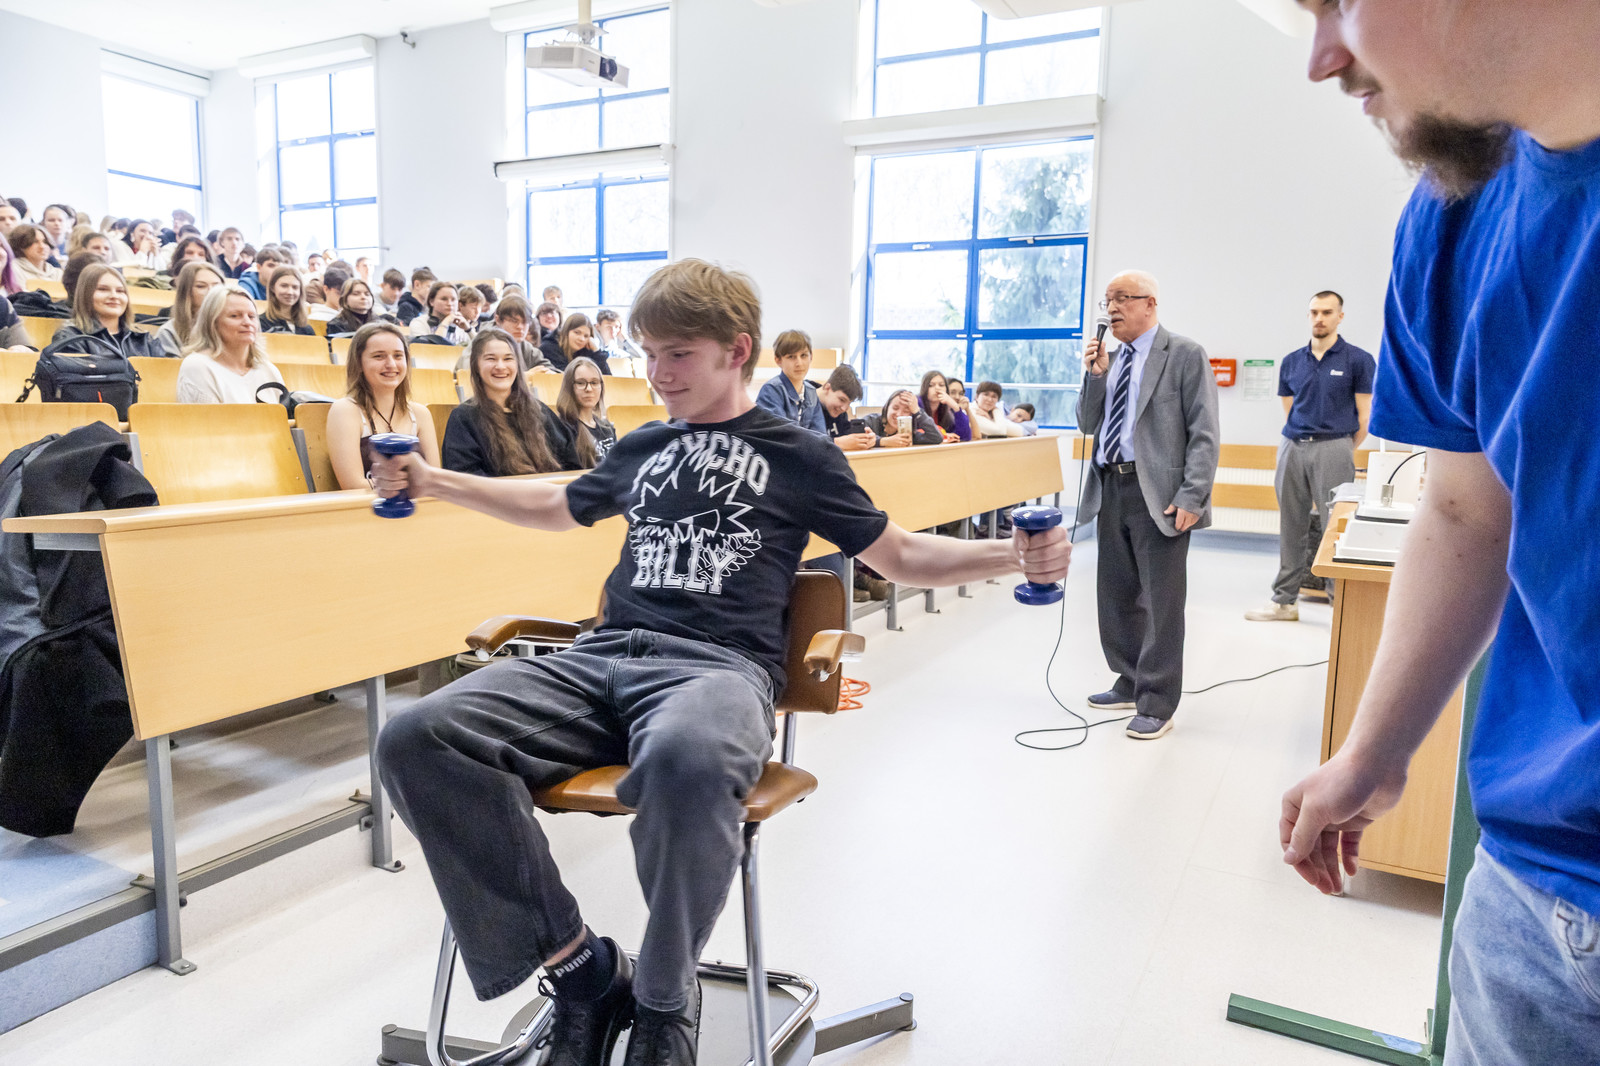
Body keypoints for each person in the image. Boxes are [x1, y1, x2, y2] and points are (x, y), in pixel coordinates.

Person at [371, 258, 1070, 1066]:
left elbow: (902, 555)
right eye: (649, 354)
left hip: (716, 670)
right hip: (601, 658)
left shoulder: (801, 455)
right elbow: (559, 506)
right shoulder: (646, 444)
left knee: (687, 760)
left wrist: (1013, 557)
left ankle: (665, 1000)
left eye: (679, 355)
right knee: (416, 736)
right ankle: (582, 971)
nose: (658, 374)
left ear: (737, 350)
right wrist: (437, 482)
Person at [1278, 5, 1600, 1065]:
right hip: (1532, 891)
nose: (1324, 57)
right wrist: (1371, 752)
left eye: (1338, 1)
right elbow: (1466, 507)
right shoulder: (1455, 216)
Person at [1076, 270, 1219, 740]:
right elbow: (1087, 422)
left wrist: (1193, 494)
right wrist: (1095, 376)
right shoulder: (1110, 359)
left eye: (1122, 298)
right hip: (1110, 487)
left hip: (1159, 494)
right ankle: (1129, 678)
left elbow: (1204, 432)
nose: (1112, 308)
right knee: (1116, 595)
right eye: (1107, 301)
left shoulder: (1184, 354)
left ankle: (1157, 701)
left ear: (1150, 304)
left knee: (1161, 602)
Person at [1246, 291, 1375, 623]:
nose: (1320, 318)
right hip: (1292, 445)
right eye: (1314, 312)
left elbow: (1365, 416)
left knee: (1335, 527)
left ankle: (1338, 604)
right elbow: (1289, 409)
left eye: (1327, 312)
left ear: (1340, 317)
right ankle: (1284, 602)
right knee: (1291, 525)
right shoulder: (1292, 361)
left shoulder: (1358, 360)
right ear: (1308, 316)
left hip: (1334, 446)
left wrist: (1342, 447)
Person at [442, 328, 579, 477]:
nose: (501, 366)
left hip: (550, 490)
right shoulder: (463, 418)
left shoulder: (540, 411)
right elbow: (465, 478)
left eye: (508, 359)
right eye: (491, 359)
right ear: (476, 365)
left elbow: (571, 464)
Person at [326, 322, 441, 489]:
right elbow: (353, 485)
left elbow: (434, 481)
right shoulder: (345, 410)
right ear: (359, 363)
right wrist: (413, 485)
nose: (391, 364)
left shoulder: (421, 413)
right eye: (379, 356)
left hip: (419, 505)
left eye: (398, 356)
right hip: (365, 505)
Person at [176, 283, 284, 403]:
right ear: (213, 323)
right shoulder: (198, 367)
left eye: (252, 316)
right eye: (235, 316)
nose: (247, 322)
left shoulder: (268, 370)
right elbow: (206, 416)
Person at [48, 262, 164, 360]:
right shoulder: (70, 338)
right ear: (85, 295)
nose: (114, 296)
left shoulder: (145, 339)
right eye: (103, 289)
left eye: (120, 291)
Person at [755, 329, 823, 432]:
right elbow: (781, 435)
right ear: (778, 360)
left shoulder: (811, 392)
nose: (799, 363)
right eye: (791, 357)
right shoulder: (771, 391)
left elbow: (821, 435)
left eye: (803, 355)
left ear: (811, 357)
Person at [154, 260, 224, 357]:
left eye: (217, 286)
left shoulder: (236, 326)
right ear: (186, 292)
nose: (211, 291)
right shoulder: (168, 333)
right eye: (201, 286)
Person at [555, 355, 616, 465]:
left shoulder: (607, 428)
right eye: (580, 383)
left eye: (594, 382)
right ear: (569, 387)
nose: (589, 389)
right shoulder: (562, 429)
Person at [816, 365, 877, 451]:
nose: (844, 408)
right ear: (827, 387)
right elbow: (803, 443)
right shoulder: (804, 403)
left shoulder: (839, 413)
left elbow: (847, 433)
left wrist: (867, 439)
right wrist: (836, 443)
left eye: (849, 403)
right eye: (842, 400)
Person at [489, 295, 554, 372]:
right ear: (498, 320)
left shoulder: (526, 348)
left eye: (525, 322)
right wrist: (525, 377)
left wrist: (549, 373)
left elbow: (550, 369)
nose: (520, 327)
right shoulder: (485, 345)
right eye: (514, 321)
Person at [864, 388, 942, 446]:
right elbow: (860, 438)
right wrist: (884, 441)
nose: (899, 414)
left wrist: (917, 411)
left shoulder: (908, 435)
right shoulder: (871, 421)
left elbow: (936, 437)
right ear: (887, 408)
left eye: (906, 411)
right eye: (895, 408)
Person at [540, 312, 610, 374]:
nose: (582, 339)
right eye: (577, 333)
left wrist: (596, 351)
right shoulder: (549, 348)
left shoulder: (587, 350)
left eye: (586, 336)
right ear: (566, 331)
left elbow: (607, 377)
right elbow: (566, 377)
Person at [918, 371, 971, 442]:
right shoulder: (917, 404)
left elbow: (964, 437)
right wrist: (944, 435)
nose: (937, 388)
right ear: (924, 388)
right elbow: (915, 433)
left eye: (941, 385)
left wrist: (956, 407)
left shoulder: (947, 408)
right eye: (931, 385)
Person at [260, 269, 316, 335]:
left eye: (295, 287)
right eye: (284, 286)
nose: (290, 292)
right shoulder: (261, 323)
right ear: (272, 288)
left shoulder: (307, 329)